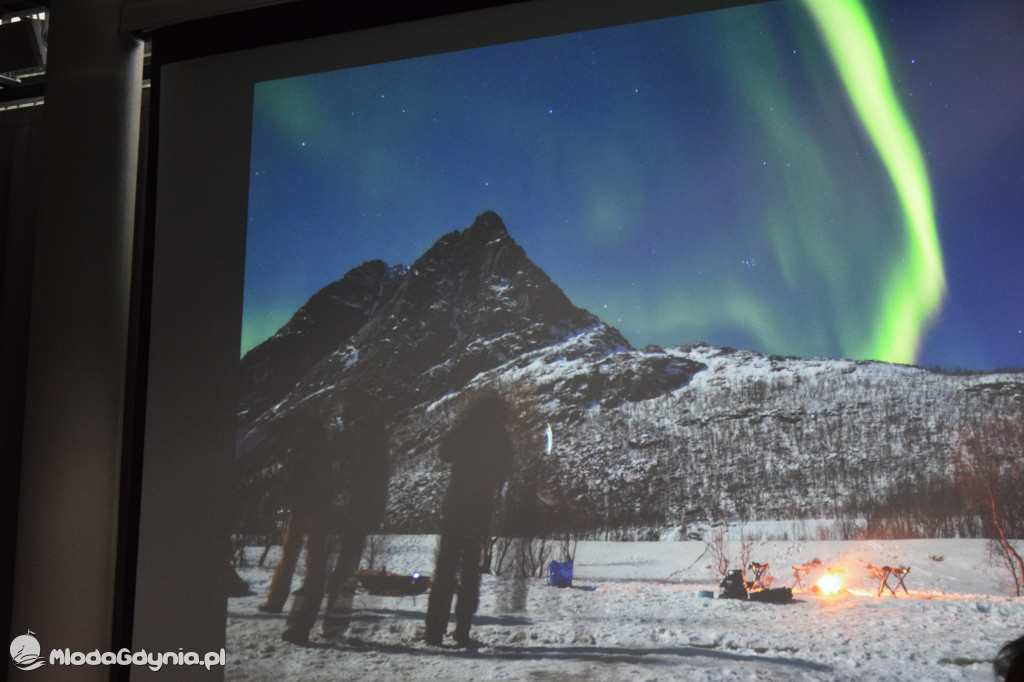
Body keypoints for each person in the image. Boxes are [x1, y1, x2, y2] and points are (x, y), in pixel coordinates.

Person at [424, 391, 515, 647]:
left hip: (455, 502)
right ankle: (462, 629)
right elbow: (507, 469)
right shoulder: (499, 434)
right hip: (480, 506)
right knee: (470, 569)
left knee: (445, 567)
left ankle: (434, 630)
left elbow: (445, 454)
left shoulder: (465, 427)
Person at [257, 410, 338, 646]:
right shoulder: (323, 447)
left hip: (301, 508)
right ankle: (299, 604)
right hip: (318, 509)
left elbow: (292, 478)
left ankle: (276, 601)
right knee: (313, 560)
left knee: (290, 554)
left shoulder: (301, 447)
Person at [320, 390, 391, 642]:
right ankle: (335, 624)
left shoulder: (348, 431)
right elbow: (381, 475)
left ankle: (308, 621)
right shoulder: (377, 432)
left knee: (321, 565)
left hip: (334, 504)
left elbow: (332, 460)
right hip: (360, 507)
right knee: (347, 566)